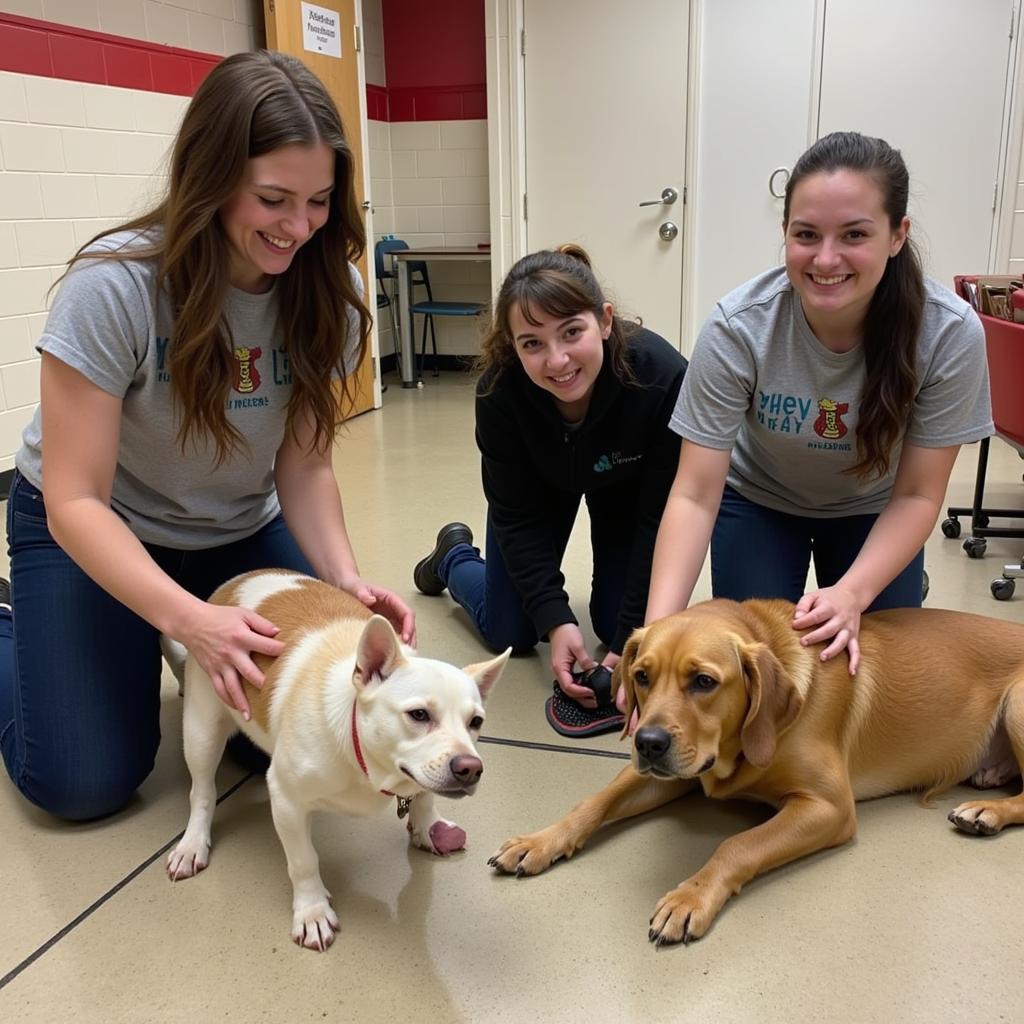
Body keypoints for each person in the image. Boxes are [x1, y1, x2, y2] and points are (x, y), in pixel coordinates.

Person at [0, 50, 414, 821]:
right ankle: (15, 628)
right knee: (82, 784)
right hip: (93, 529)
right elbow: (74, 499)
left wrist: (345, 578)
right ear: (213, 177)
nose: (299, 228)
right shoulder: (113, 286)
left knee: (296, 743)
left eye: (320, 201)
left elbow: (305, 467)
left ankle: (159, 626)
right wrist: (189, 620)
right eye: (273, 199)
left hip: (234, 529)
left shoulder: (331, 286)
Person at [646, 131, 993, 674]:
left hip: (876, 507)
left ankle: (893, 581)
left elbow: (920, 494)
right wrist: (656, 639)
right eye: (806, 234)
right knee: (756, 664)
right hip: (759, 500)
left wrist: (854, 593)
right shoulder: (738, 327)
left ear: (897, 235)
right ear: (784, 232)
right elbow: (694, 495)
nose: (826, 259)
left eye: (854, 234)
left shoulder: (948, 333)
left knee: (873, 671)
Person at [413, 245, 688, 737]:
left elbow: (660, 520)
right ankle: (454, 556)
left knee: (616, 624)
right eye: (532, 343)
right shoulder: (498, 393)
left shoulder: (661, 376)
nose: (557, 360)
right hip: (539, 487)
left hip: (627, 485)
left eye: (572, 333)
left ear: (604, 321)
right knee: (512, 632)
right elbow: (515, 518)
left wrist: (627, 640)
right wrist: (556, 621)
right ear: (511, 347)